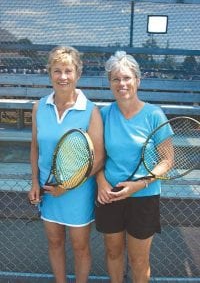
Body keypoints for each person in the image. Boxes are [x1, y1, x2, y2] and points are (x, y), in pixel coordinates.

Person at [95, 51, 173, 283]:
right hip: (110, 195)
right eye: (116, 79)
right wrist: (101, 183)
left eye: (127, 78)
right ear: (110, 83)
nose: (122, 83)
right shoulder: (104, 114)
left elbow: (167, 161)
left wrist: (139, 185)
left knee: (139, 261)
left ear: (138, 80)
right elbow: (97, 158)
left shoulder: (154, 115)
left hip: (144, 197)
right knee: (113, 252)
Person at [28, 45, 104, 283]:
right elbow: (35, 147)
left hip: (78, 193)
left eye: (68, 71)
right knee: (54, 242)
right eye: (57, 70)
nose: (63, 77)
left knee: (80, 247)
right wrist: (34, 183)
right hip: (48, 191)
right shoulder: (39, 107)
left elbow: (99, 158)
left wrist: (67, 186)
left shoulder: (91, 111)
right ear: (49, 73)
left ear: (78, 74)